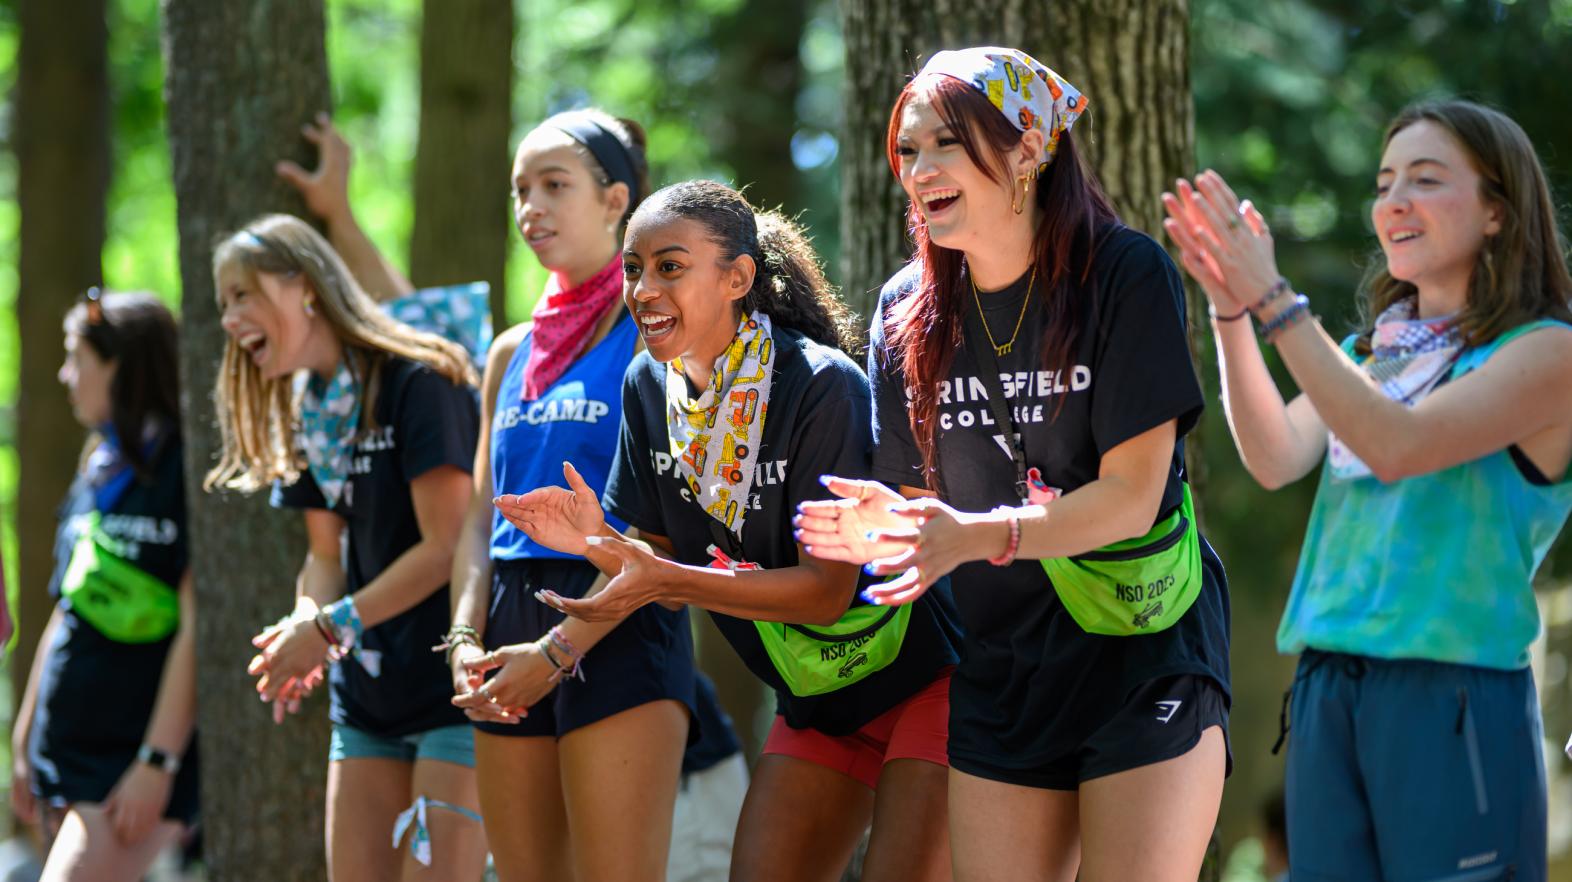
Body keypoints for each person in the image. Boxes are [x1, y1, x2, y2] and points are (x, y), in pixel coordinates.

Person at [795, 47, 1231, 881]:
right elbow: (923, 507)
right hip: (1002, 667)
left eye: (945, 145)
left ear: (1030, 147)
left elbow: (1133, 500)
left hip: (1141, 648)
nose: (920, 170)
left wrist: (975, 535)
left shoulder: (1123, 272)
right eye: (908, 152)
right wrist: (883, 531)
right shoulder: (903, 312)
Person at [496, 179, 963, 882]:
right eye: (634, 269)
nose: (644, 289)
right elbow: (652, 554)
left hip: (930, 681)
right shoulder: (646, 388)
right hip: (815, 700)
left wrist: (663, 580)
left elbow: (823, 593)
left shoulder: (819, 386)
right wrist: (591, 556)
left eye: (670, 267)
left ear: (738, 277)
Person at [1163, 100, 1572, 881]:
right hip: (1326, 690)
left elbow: (1396, 444)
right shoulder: (1371, 353)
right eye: (1385, 183)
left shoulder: (1548, 353)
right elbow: (1277, 456)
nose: (1394, 203)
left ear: (1497, 211)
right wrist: (1231, 310)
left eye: (1425, 179)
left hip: (1452, 698)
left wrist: (1277, 300)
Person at [207, 214, 487, 882]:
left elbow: (446, 545)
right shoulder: (311, 407)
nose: (228, 319)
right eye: (223, 304)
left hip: (454, 689)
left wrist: (332, 626)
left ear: (304, 286)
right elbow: (324, 558)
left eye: (242, 295)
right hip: (365, 700)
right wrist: (307, 624)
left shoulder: (419, 381)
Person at [10, 291, 197, 881]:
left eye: (76, 358)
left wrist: (157, 760)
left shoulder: (185, 467)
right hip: (60, 755)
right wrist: (23, 738)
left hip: (129, 762)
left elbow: (200, 628)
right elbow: (68, 610)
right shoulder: (98, 462)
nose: (65, 376)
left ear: (118, 363)